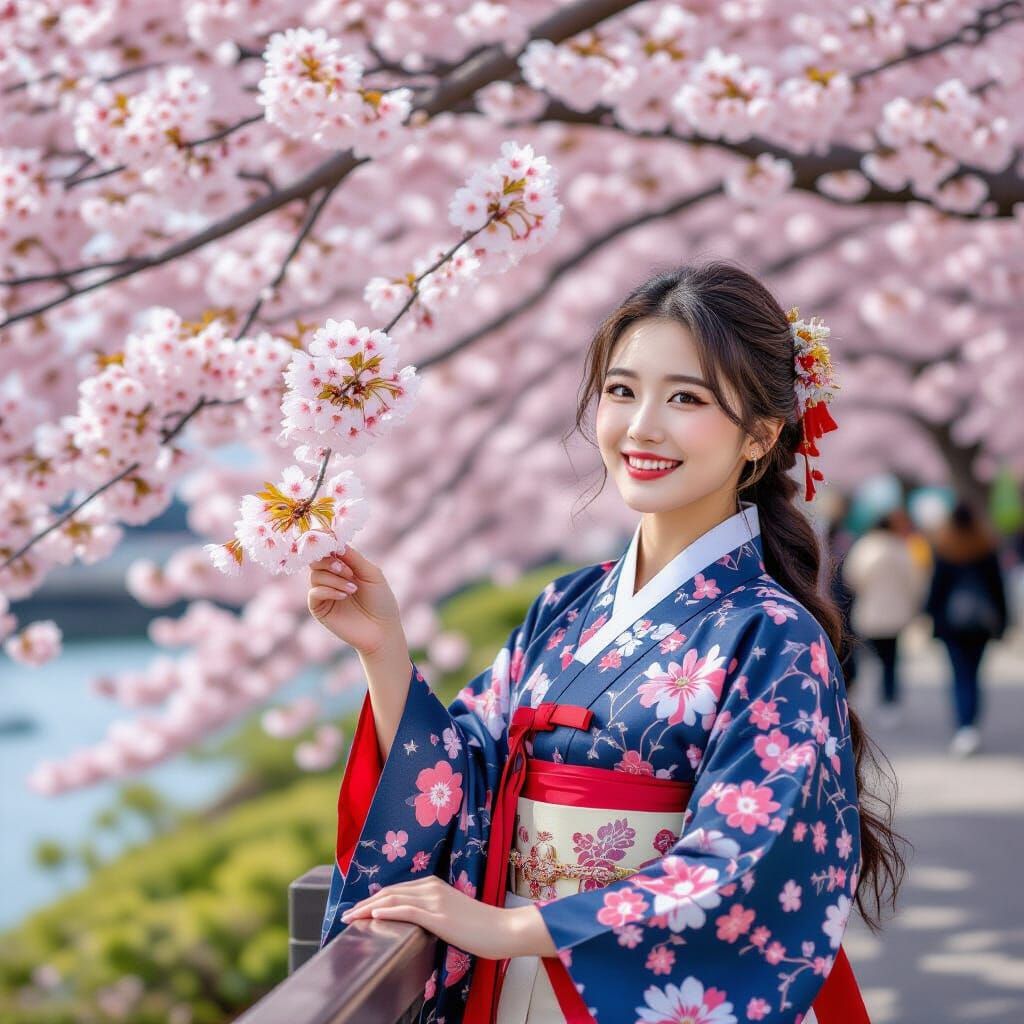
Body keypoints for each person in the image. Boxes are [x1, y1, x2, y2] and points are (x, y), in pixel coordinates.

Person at [308, 261, 904, 1023]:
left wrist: (512, 928)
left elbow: (743, 864)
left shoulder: (771, 633)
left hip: (638, 986)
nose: (641, 426)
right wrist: (383, 650)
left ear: (760, 435)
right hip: (519, 980)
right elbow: (464, 776)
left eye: (685, 398)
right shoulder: (566, 603)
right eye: (622, 391)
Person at [923, 498, 1008, 757]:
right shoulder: (986, 548)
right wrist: (1003, 622)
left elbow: (936, 591)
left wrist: (930, 619)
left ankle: (964, 727)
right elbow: (998, 590)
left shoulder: (945, 548)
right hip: (981, 624)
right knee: (974, 673)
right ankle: (971, 725)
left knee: (959, 674)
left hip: (951, 625)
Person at [842, 510, 929, 727]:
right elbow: (915, 581)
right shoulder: (901, 547)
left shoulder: (865, 547)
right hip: (896, 612)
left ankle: (868, 697)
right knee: (891, 659)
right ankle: (890, 700)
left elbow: (851, 577)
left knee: (869, 656)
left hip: (870, 610)